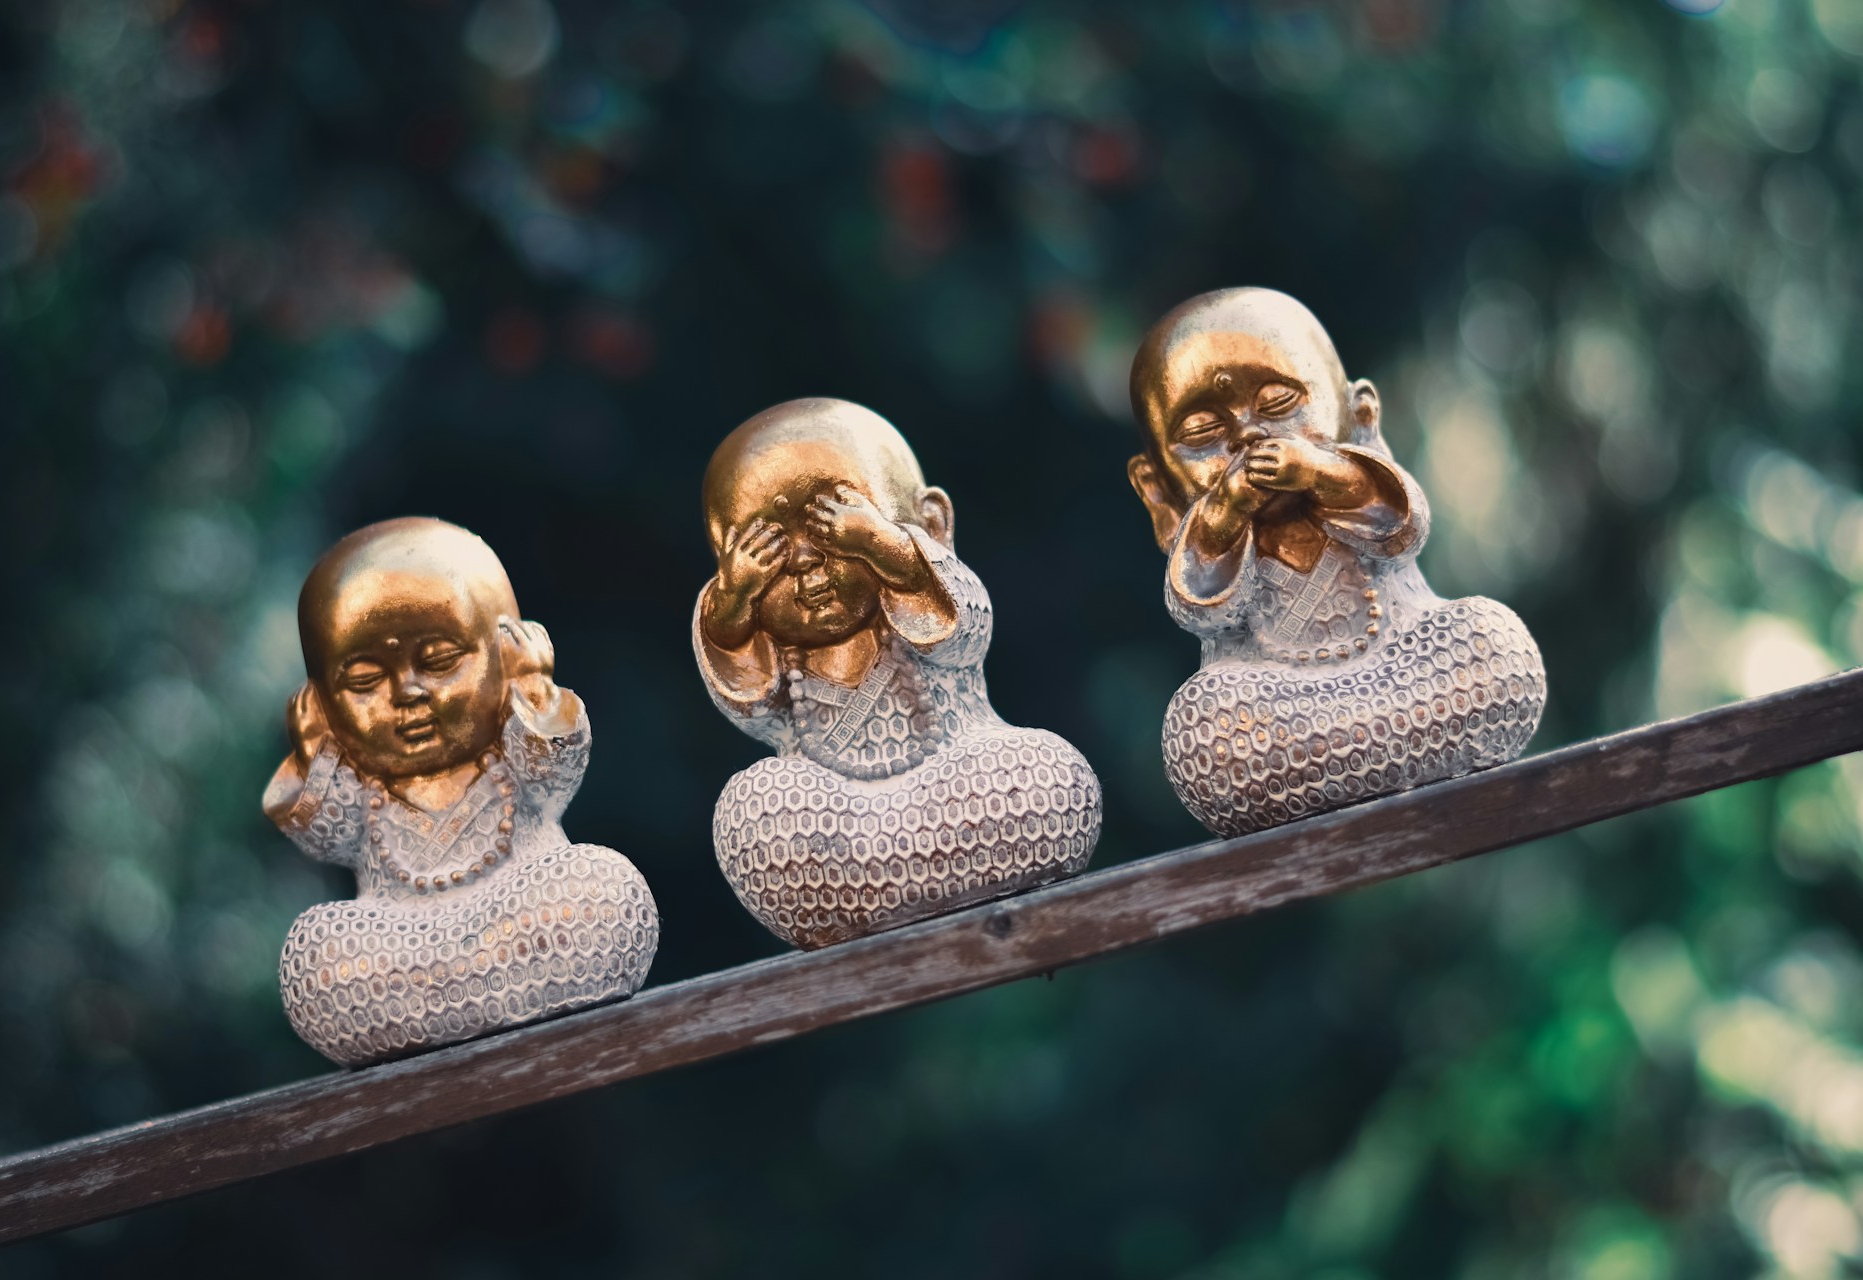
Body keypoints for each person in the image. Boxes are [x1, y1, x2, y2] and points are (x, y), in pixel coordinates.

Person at [1127, 288, 1546, 837]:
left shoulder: (1356, 483)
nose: (1248, 437)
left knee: (1488, 640)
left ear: (1361, 414)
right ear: (1155, 489)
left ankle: (1363, 755)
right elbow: (1199, 606)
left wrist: (1321, 472)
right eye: (1203, 434)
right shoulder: (1209, 529)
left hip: (1405, 666)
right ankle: (1393, 750)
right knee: (1205, 722)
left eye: (1278, 405)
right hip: (1284, 711)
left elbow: (1401, 529)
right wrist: (1225, 510)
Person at [695, 398, 1102, 949]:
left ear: (930, 524)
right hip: (844, 831)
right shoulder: (776, 651)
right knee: (755, 806)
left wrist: (886, 551)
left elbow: (964, 631)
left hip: (962, 794)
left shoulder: (920, 596)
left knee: (1042, 772)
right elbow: (750, 700)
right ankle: (861, 907)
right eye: (766, 548)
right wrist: (732, 608)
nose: (804, 561)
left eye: (832, 524)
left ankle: (920, 886)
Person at [265, 517, 658, 1066]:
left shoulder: (510, 746)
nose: (406, 693)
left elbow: (553, 775)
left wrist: (533, 693)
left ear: (507, 654)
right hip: (400, 942)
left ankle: (463, 1000)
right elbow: (327, 833)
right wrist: (316, 756)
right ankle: (463, 1002)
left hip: (521, 914)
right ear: (323, 702)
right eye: (364, 681)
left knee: (597, 887)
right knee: (318, 950)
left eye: (439, 662)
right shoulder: (362, 788)